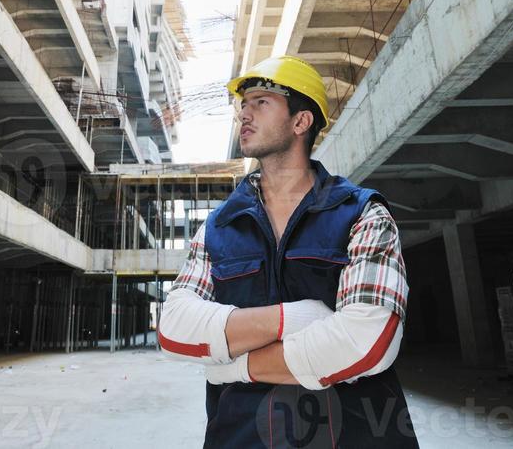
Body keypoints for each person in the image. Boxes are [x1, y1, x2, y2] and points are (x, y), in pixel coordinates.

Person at [158, 55, 420, 448]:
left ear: (301, 122)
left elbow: (368, 341)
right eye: (242, 105)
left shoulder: (362, 214)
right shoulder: (218, 227)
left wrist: (234, 365)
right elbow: (175, 329)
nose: (244, 114)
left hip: (359, 436)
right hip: (241, 436)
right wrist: (292, 319)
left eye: (261, 102)